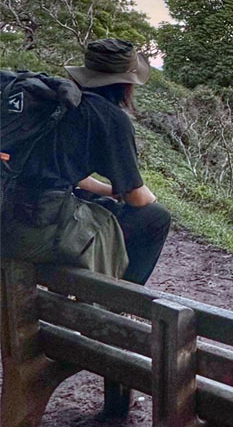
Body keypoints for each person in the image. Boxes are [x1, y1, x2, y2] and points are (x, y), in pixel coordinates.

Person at [7, 38, 170, 286]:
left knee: (92, 202)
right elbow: (138, 198)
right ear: (126, 83)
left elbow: (61, 170)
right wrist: (146, 196)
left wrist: (109, 191)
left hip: (7, 210)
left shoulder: (56, 100)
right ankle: (122, 301)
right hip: (34, 229)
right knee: (155, 217)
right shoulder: (109, 117)